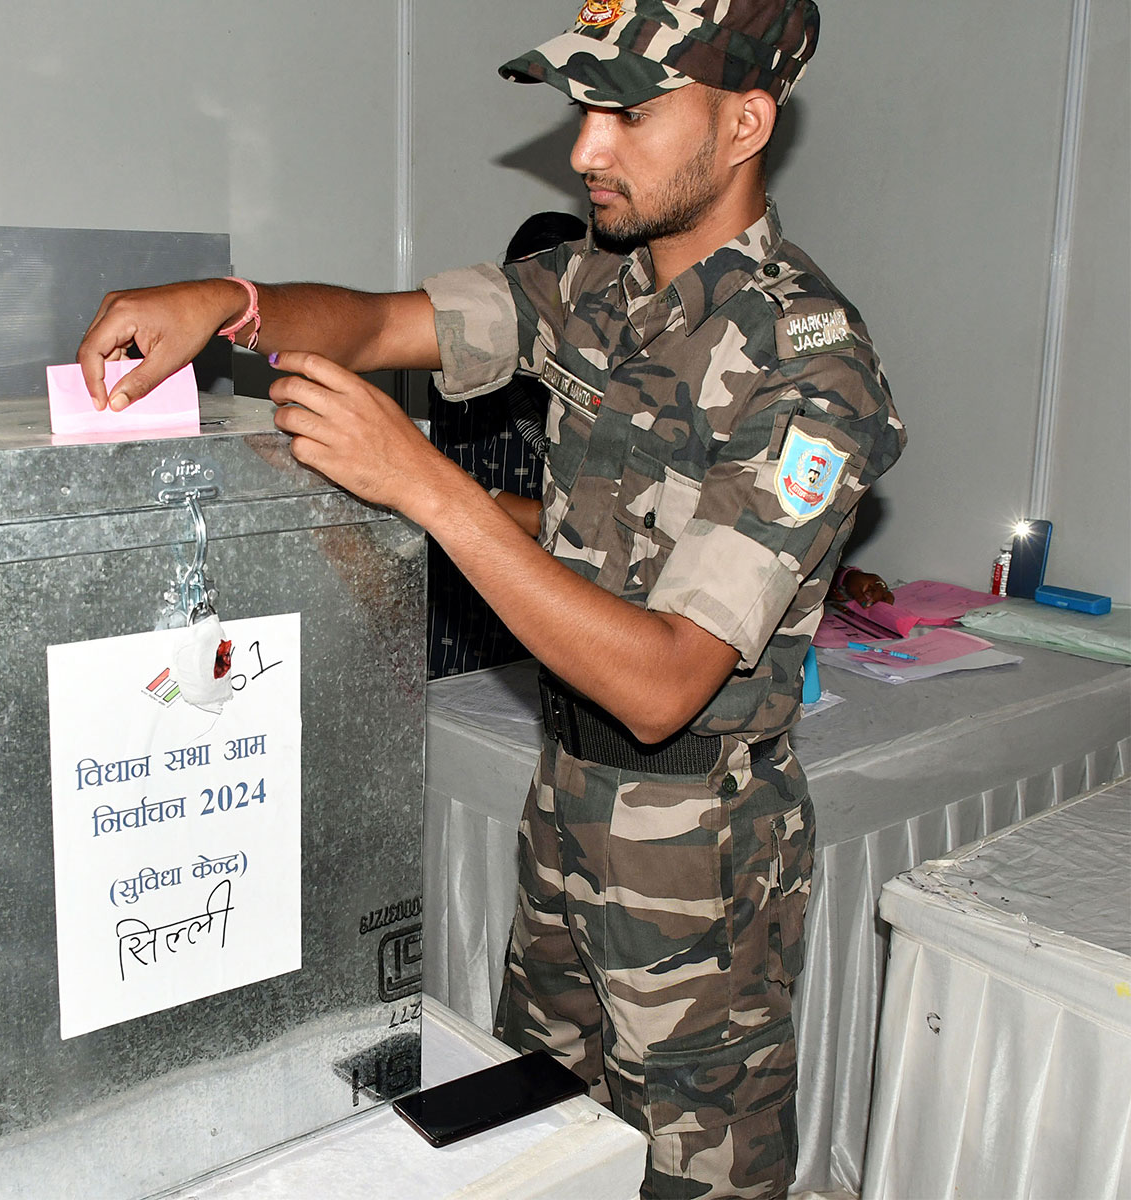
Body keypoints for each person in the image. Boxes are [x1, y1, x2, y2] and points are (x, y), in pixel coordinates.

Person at [76, 2, 905, 1195]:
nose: (584, 148)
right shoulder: (589, 282)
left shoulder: (810, 367)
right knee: (545, 1150)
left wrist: (427, 487)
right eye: (582, 106)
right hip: (566, 800)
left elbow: (668, 679)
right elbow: (375, 324)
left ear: (744, 123)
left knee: (695, 1177)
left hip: (699, 859)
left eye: (628, 110)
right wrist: (228, 302)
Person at [428, 211, 588, 679]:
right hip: (465, 626)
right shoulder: (468, 378)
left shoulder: (609, 386)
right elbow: (447, 493)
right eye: (523, 286)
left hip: (567, 621)